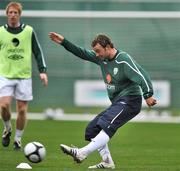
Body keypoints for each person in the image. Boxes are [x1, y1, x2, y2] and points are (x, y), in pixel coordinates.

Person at [49, 32, 157, 169]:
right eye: (95, 52)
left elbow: (141, 74)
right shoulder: (101, 58)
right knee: (92, 129)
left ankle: (81, 153)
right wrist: (64, 42)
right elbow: (81, 53)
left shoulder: (123, 59)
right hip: (119, 102)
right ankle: (107, 161)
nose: (97, 54)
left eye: (98, 51)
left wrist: (148, 95)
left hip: (130, 100)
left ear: (108, 47)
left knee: (106, 123)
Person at [0, 2, 48, 150]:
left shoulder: (29, 31)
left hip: (24, 77)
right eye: (10, 12)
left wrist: (42, 71)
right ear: (6, 14)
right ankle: (7, 128)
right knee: (3, 105)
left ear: (19, 14)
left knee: (21, 110)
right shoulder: (1, 31)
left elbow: (37, 51)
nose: (13, 15)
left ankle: (18, 139)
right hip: (5, 75)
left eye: (15, 12)